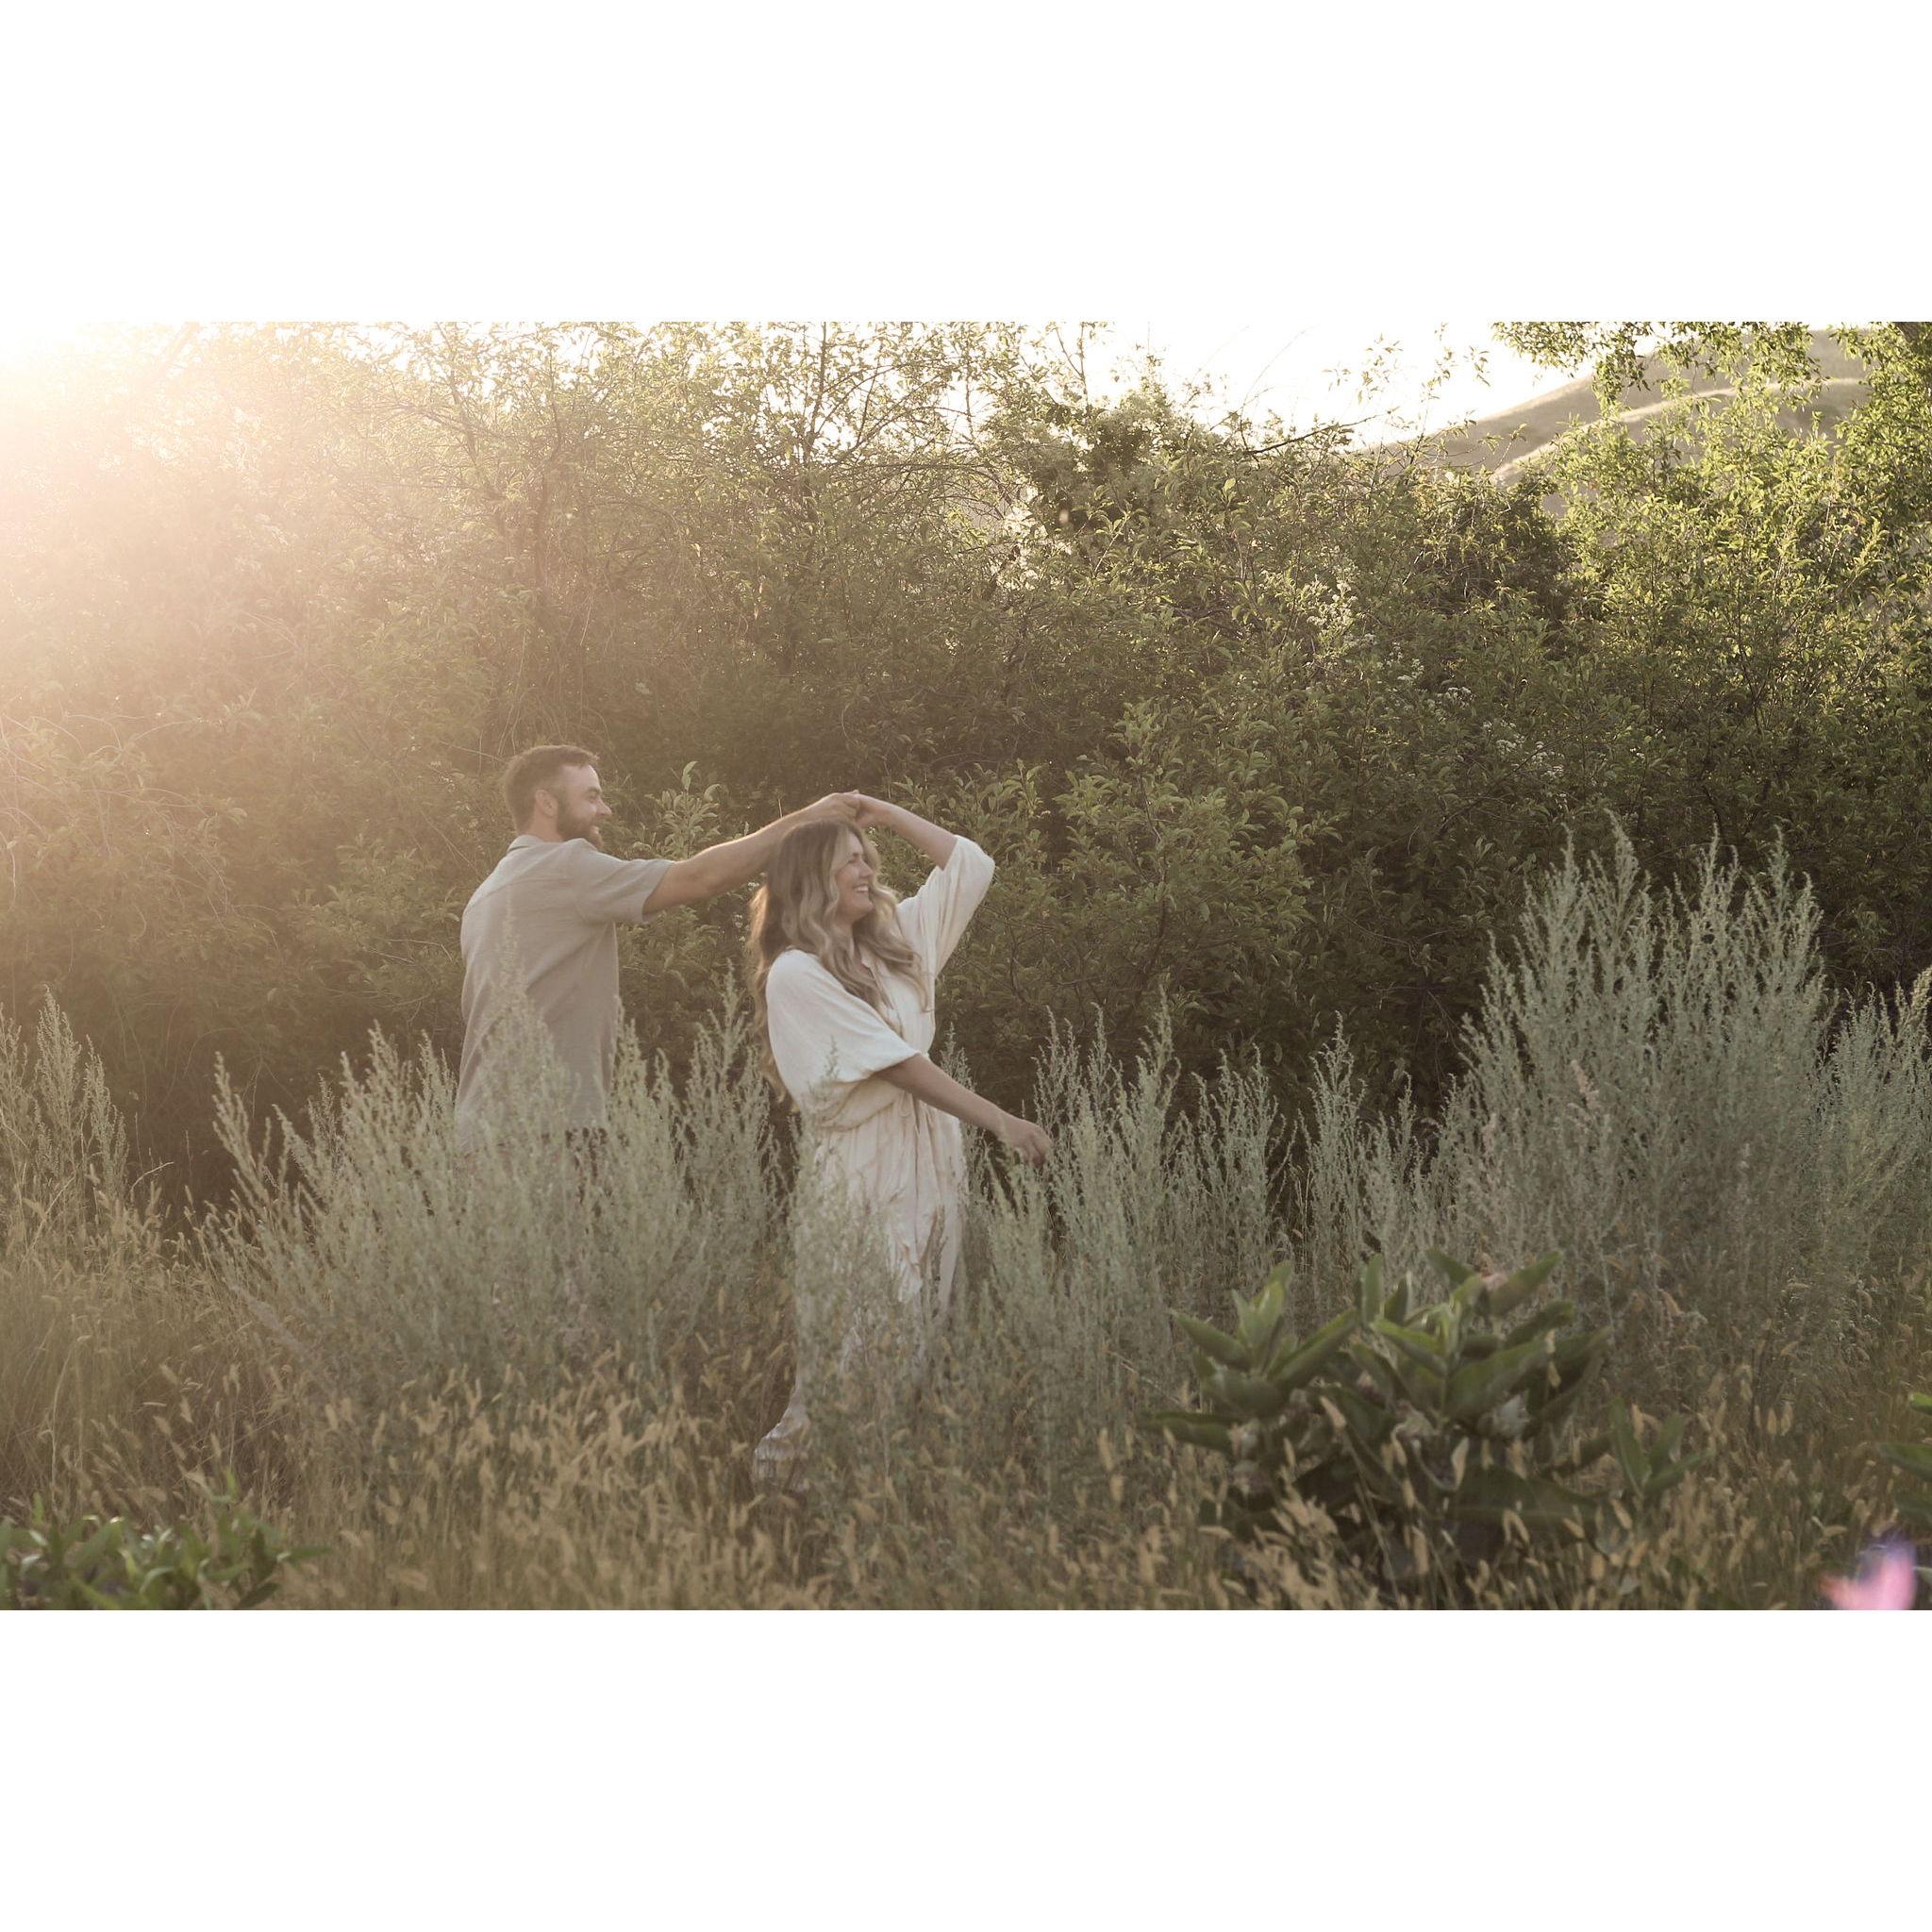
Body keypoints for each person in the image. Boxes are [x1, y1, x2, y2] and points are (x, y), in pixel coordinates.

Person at [746, 795, 1052, 1491]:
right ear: (811, 879)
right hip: (863, 1164)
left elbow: (971, 865)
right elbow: (899, 1066)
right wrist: (1001, 1121)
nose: (867, 870)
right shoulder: (797, 973)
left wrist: (880, 813)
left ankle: (860, 1488)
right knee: (858, 1332)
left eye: (867, 859)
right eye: (848, 861)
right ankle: (781, 1485)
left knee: (912, 1330)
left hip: (927, 1158)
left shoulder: (892, 946)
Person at [457, 743, 858, 1146]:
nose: (604, 810)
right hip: (546, 1125)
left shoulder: (484, 896)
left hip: (478, 1130)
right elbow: (700, 878)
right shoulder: (565, 866)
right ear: (546, 802)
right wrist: (807, 819)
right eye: (591, 797)